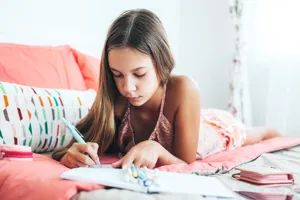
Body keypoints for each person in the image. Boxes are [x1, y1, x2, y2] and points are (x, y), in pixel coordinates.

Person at [52, 9, 280, 169]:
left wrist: (155, 149)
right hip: (193, 118)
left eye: (139, 74)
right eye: (117, 74)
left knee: (255, 134)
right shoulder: (115, 99)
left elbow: (186, 164)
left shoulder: (183, 88)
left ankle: (279, 134)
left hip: (211, 131)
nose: (127, 87)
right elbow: (77, 143)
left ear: (161, 63)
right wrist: (70, 155)